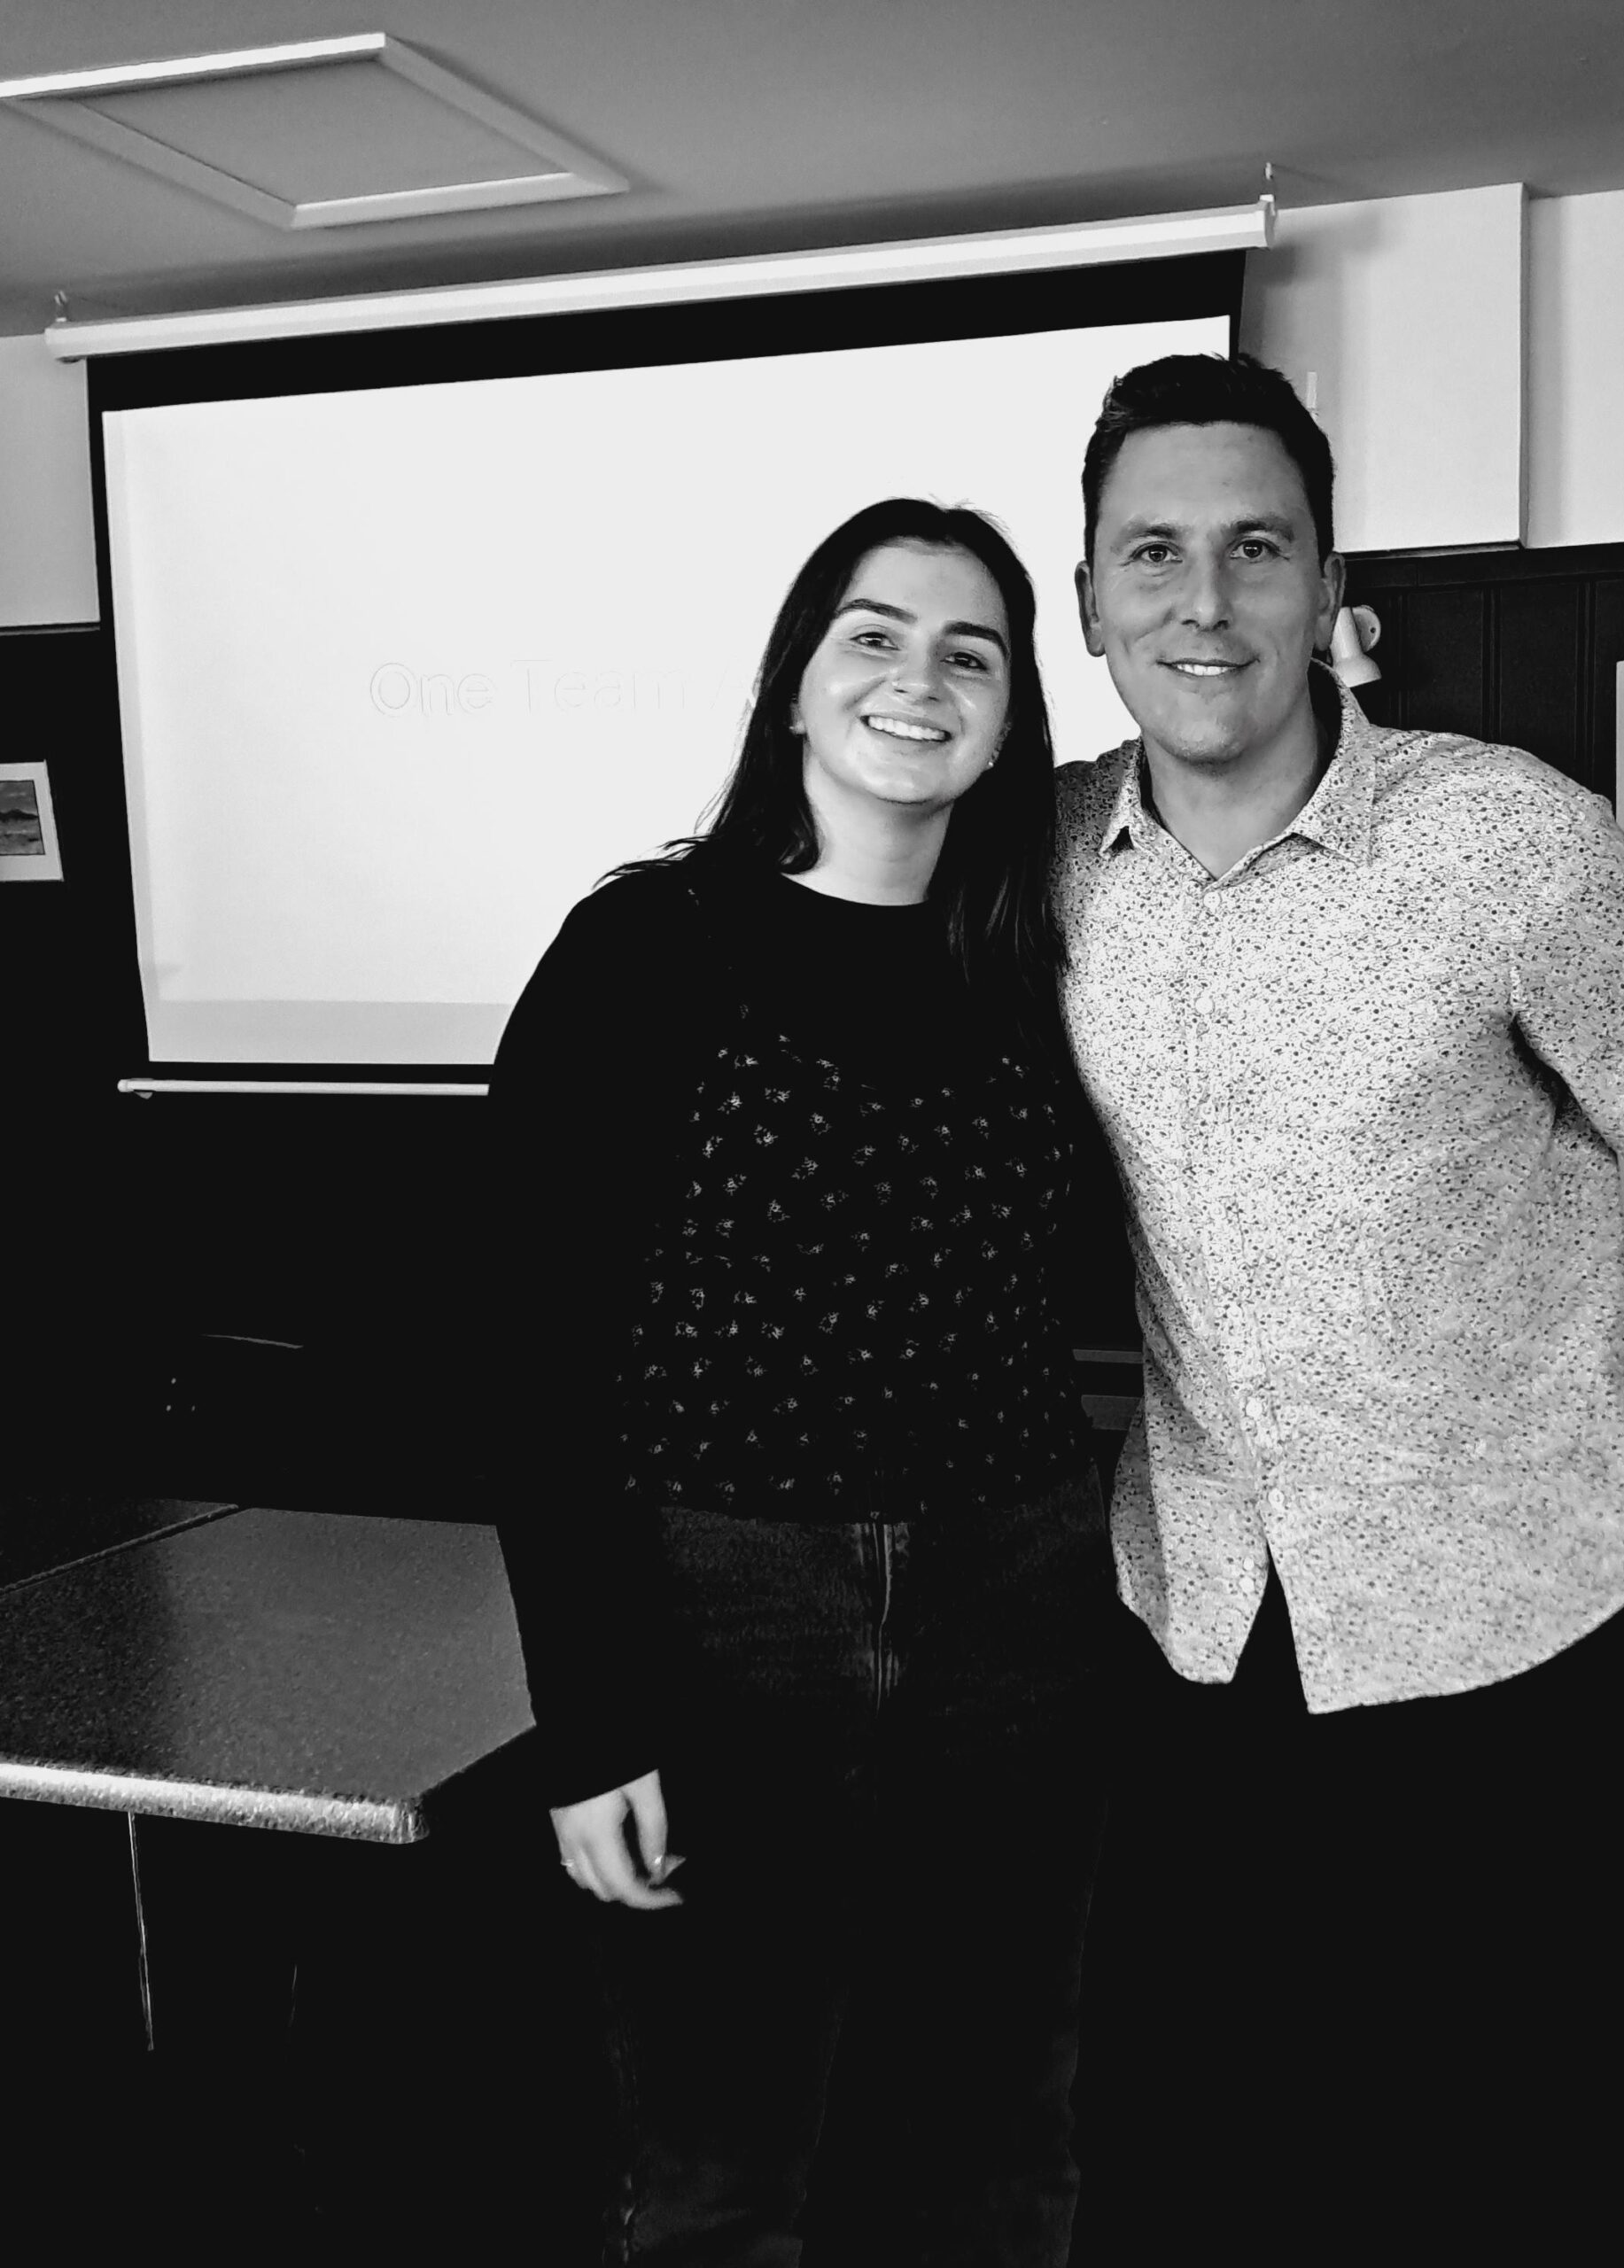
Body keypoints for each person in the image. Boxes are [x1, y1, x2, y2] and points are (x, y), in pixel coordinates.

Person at [1053, 354, 1624, 2256]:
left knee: (1500, 2145)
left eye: (1256, 548)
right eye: (1152, 552)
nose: (1203, 600)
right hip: (1196, 1624)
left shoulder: (1502, 841)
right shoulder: (1051, 861)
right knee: (1197, 2135)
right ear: (1086, 599)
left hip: (1506, 1628)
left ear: (1327, 583)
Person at [490, 498, 1116, 2266]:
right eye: (874, 634)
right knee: (723, 2145)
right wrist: (589, 1723)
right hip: (730, 1601)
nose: (920, 678)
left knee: (999, 2116)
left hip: (1017, 1587)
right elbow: (527, 1358)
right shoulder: (648, 947)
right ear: (794, 681)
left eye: (971, 652)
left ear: (1011, 717)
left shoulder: (1033, 948)